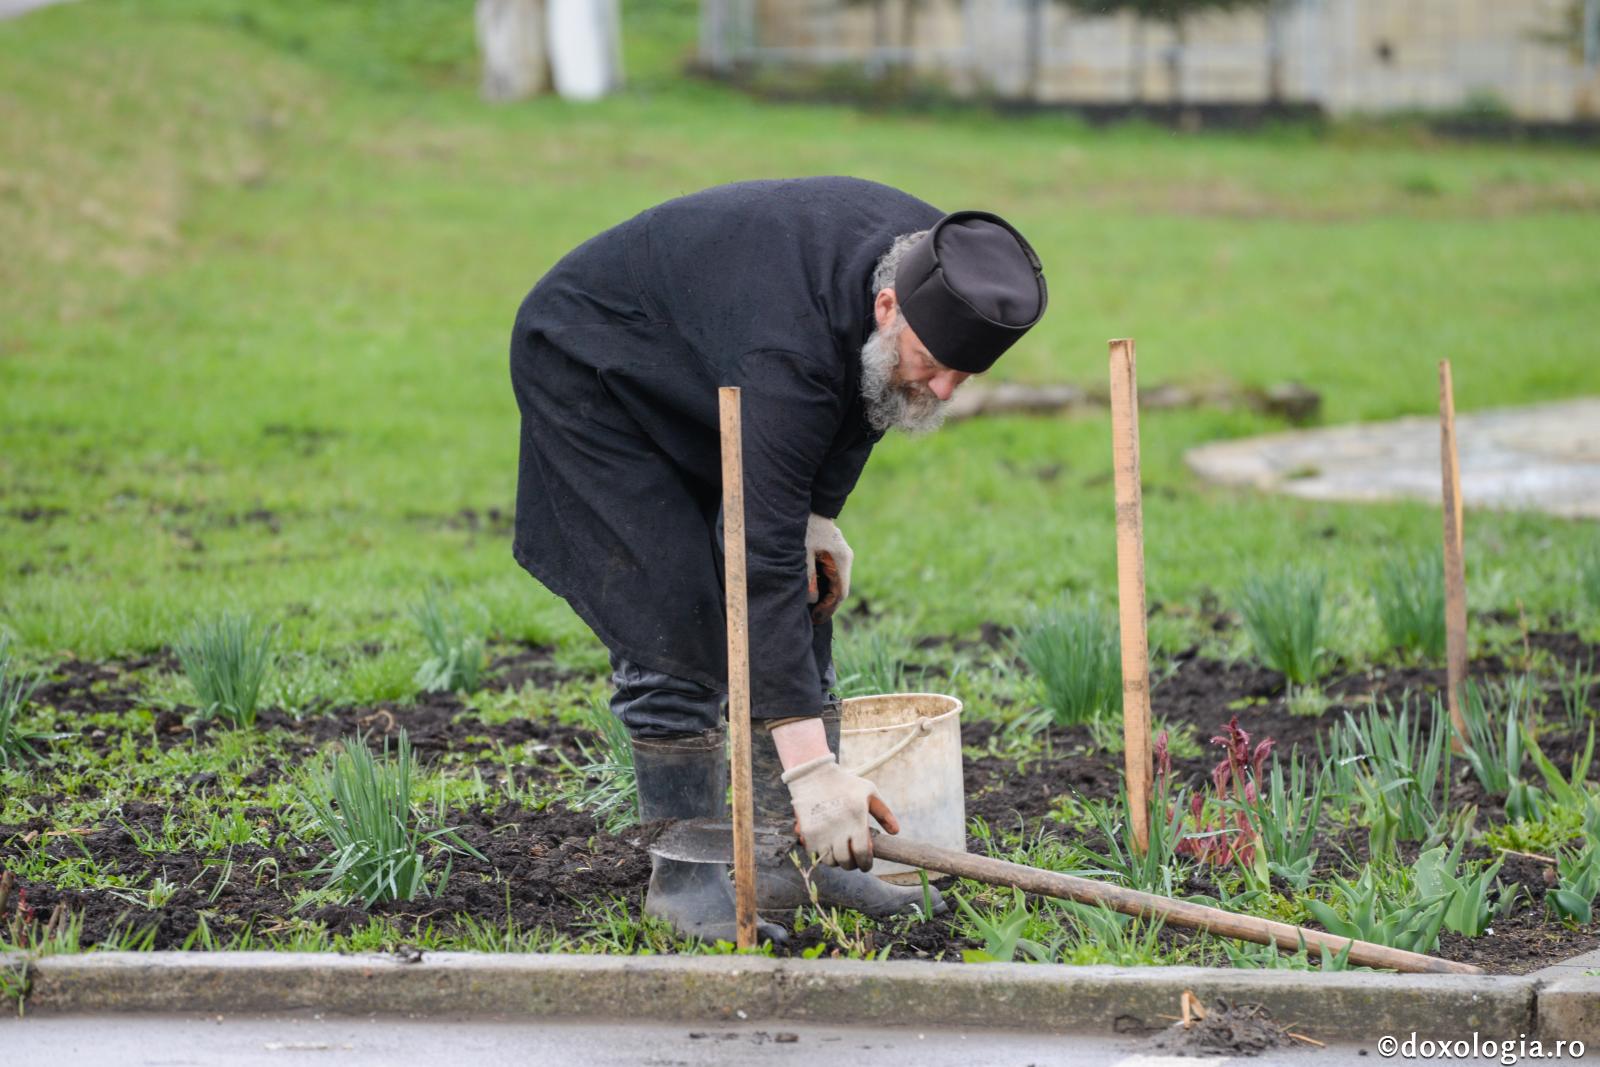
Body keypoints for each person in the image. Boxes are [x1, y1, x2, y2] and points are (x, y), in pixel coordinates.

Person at [509, 177, 1046, 943]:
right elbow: (755, 554)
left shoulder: (941, 264)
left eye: (966, 375)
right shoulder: (790, 345)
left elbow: (870, 391)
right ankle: (686, 878)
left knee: (805, 586)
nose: (947, 389)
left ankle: (790, 865)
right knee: (679, 611)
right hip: (596, 367)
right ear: (888, 306)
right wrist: (811, 773)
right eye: (935, 363)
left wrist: (819, 513)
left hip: (711, 358)